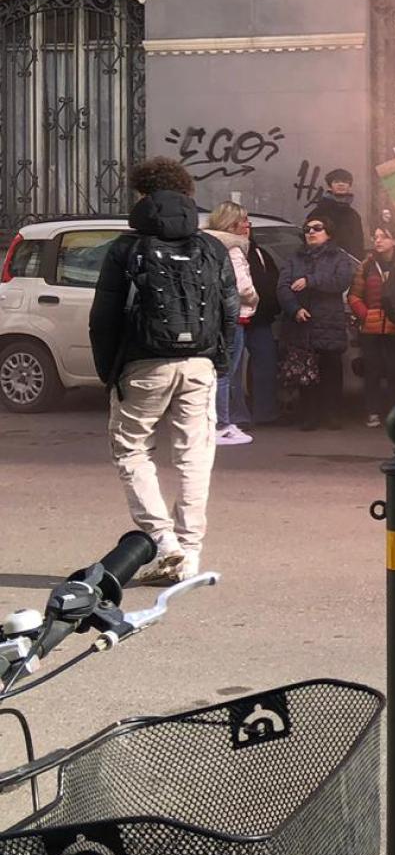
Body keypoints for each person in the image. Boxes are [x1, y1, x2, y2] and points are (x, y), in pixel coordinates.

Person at [89, 158, 239, 586]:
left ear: (143, 196)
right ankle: (190, 552)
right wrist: (220, 360)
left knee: (132, 450)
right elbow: (230, 308)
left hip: (143, 363)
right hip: (200, 364)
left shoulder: (126, 248)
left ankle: (163, 541)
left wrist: (109, 371)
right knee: (195, 455)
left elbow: (104, 317)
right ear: (187, 193)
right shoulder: (211, 247)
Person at [278, 215, 356, 430]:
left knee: (331, 371)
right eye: (307, 229)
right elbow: (283, 287)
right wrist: (295, 309)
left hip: (328, 323)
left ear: (328, 232)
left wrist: (311, 281)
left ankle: (332, 415)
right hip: (302, 325)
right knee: (305, 372)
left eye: (317, 228)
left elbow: (341, 281)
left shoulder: (338, 257)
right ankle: (309, 415)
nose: (311, 232)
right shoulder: (295, 258)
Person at [202, 202, 258, 447]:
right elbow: (242, 286)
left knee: (217, 372)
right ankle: (222, 425)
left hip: (214, 315)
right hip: (234, 317)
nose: (247, 226)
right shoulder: (233, 249)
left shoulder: (206, 245)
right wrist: (255, 298)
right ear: (233, 224)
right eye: (244, 221)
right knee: (226, 372)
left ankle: (214, 422)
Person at [351, 223, 395, 426]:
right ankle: (373, 411)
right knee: (372, 369)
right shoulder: (367, 265)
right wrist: (365, 315)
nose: (378, 241)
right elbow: (354, 296)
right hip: (371, 327)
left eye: (384, 237)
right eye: (376, 236)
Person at [240, 217, 281, 427]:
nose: (246, 229)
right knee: (232, 370)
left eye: (248, 225)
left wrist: (273, 307)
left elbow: (274, 280)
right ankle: (234, 416)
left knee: (266, 365)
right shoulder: (224, 252)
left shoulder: (259, 253)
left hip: (261, 318)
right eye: (241, 224)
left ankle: (265, 413)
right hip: (235, 318)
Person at [304, 167, 367, 258]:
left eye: (345, 181)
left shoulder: (354, 215)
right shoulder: (319, 212)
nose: (341, 184)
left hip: (348, 265)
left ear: (349, 186)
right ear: (330, 186)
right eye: (336, 181)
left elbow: (359, 244)